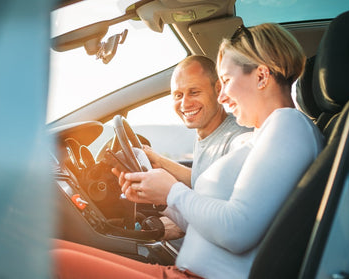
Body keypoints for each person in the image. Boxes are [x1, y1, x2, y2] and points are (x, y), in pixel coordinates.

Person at [53, 23, 324, 279]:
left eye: (226, 80)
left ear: (262, 76)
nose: (222, 96)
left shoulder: (287, 125)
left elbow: (238, 229)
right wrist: (155, 196)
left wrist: (173, 191)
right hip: (184, 271)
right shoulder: (262, 136)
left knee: (54, 261)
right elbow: (212, 221)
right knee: (54, 251)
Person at [144, 55, 251, 240]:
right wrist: (159, 161)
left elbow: (223, 225)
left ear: (218, 90)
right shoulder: (207, 132)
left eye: (194, 92)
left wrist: (167, 201)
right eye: (178, 95)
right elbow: (201, 180)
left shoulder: (238, 140)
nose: (185, 104)